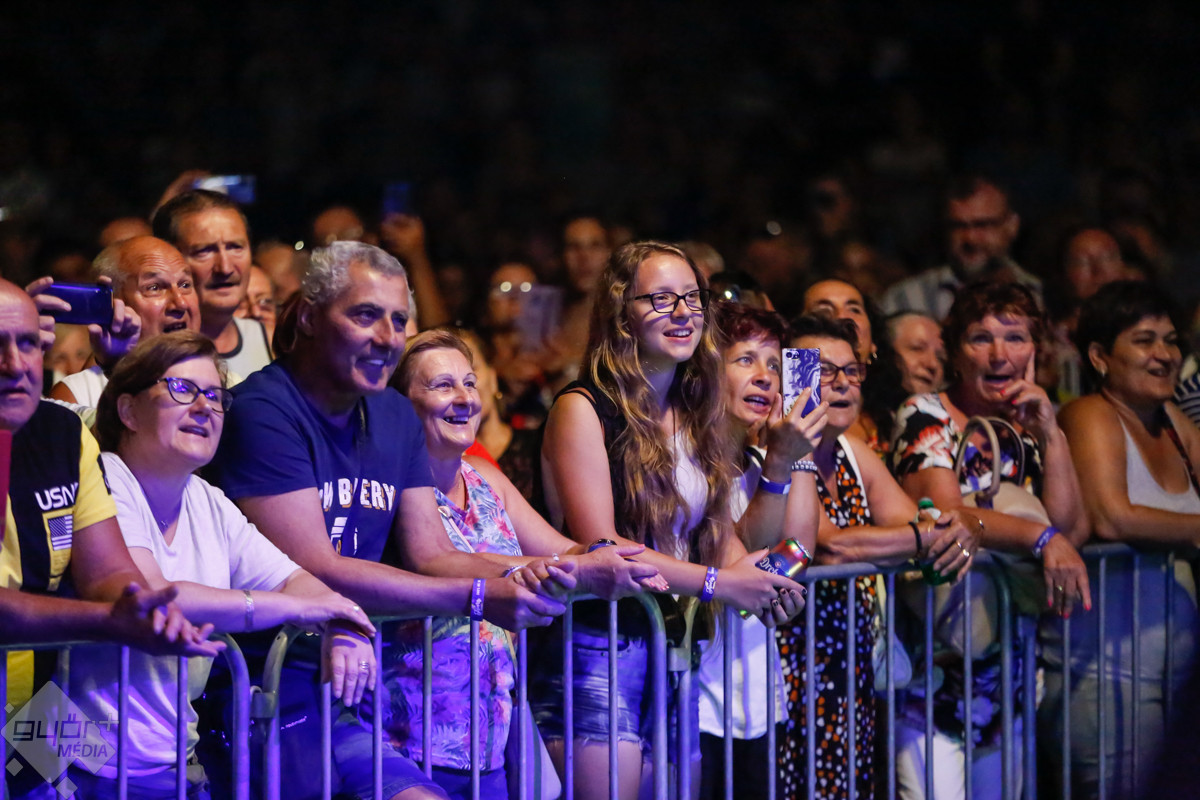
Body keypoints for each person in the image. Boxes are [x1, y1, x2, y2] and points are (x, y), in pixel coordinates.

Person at [206, 241, 568, 800]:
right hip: (270, 681)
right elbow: (318, 565)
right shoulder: (263, 411)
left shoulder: (394, 413)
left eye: (399, 320)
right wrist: (479, 597)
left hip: (356, 681)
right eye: (365, 315)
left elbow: (433, 554)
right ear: (308, 316)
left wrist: (554, 572)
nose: (388, 337)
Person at [533, 242, 806, 800]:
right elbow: (604, 548)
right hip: (598, 647)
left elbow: (715, 537)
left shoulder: (695, 412)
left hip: (674, 649)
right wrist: (723, 583)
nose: (683, 312)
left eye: (692, 297)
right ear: (621, 313)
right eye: (661, 298)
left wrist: (760, 580)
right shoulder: (582, 408)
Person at [67, 331, 376, 798]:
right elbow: (153, 594)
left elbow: (296, 580)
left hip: (168, 762)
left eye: (215, 395)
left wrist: (342, 624)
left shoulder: (207, 500)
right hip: (75, 759)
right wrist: (297, 609)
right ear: (127, 410)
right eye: (182, 389)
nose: (204, 407)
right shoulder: (108, 476)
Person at [389, 329, 663, 798]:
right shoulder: (393, 488)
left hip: (488, 740)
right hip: (410, 739)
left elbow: (563, 550)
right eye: (442, 386)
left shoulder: (486, 478)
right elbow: (441, 560)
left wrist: (610, 554)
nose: (465, 398)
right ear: (399, 404)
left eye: (470, 383)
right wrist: (547, 570)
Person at [0, 282, 220, 797]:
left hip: (35, 714)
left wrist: (140, 607)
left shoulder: (63, 432)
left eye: (28, 343)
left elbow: (106, 570)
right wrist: (107, 621)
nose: (14, 364)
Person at [888, 281, 1091, 799]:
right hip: (934, 681)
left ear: (1035, 350)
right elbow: (948, 516)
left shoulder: (1028, 423)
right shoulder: (925, 414)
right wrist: (1039, 538)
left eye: (1016, 338)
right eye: (981, 338)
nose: (1000, 354)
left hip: (1011, 676)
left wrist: (1050, 434)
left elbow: (1072, 532)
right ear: (955, 352)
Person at [778, 313, 979, 800]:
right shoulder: (771, 452)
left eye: (852, 370)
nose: (843, 383)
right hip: (787, 675)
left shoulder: (852, 451)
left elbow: (920, 523)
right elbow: (830, 547)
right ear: (792, 375)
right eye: (823, 370)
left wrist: (949, 527)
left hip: (850, 670)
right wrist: (923, 536)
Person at [1049, 279, 1200, 797]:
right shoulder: (1089, 413)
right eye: (1144, 340)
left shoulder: (1174, 421)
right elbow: (1109, 517)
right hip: (1107, 676)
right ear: (1099, 356)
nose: (1165, 354)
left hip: (1176, 676)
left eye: (1171, 340)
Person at [697, 303, 826, 800]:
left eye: (774, 365)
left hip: (756, 696)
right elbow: (740, 559)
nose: (765, 377)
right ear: (710, 369)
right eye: (746, 359)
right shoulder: (688, 461)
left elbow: (794, 555)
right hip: (699, 699)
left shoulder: (760, 461)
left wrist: (797, 452)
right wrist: (777, 466)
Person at [50, 236, 200, 406]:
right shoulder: (80, 395)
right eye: (154, 288)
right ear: (112, 304)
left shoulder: (222, 380)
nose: (180, 303)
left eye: (185, 285)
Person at [880, 176, 1041, 320]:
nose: (970, 238)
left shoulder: (1042, 296)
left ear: (1012, 225)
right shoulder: (904, 300)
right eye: (958, 226)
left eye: (982, 225)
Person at [151, 190, 272, 379]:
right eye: (204, 251)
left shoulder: (275, 344)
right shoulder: (145, 353)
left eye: (235, 247)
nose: (225, 268)